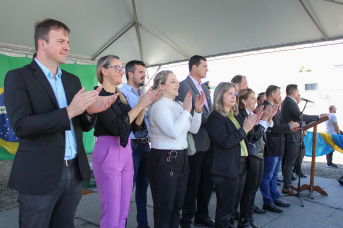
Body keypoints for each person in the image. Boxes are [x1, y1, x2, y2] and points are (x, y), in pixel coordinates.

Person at [4, 19, 117, 228]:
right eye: (61, 41)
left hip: (74, 173)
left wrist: (91, 112)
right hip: (39, 175)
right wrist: (69, 111)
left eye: (68, 41)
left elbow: (82, 125)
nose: (68, 46)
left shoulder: (72, 80)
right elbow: (21, 126)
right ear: (42, 44)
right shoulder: (18, 77)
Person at [92, 55, 159, 228]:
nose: (121, 71)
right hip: (109, 150)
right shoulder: (98, 95)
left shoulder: (120, 97)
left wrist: (143, 107)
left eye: (121, 68)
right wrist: (138, 106)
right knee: (112, 210)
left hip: (125, 150)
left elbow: (136, 127)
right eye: (117, 68)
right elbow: (117, 127)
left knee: (123, 209)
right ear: (104, 71)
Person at [148, 70, 206, 228]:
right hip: (164, 159)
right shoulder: (159, 106)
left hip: (181, 158)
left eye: (176, 81)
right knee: (164, 209)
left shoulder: (179, 105)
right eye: (172, 81)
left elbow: (192, 129)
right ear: (161, 85)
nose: (177, 84)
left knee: (176, 208)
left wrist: (198, 111)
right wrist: (187, 111)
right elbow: (173, 132)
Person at [206, 82, 258, 228]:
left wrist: (253, 125)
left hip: (240, 165)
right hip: (226, 168)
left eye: (234, 93)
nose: (233, 96)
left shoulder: (234, 115)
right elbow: (225, 141)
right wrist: (244, 130)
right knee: (225, 209)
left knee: (233, 207)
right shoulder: (215, 117)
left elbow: (247, 136)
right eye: (229, 93)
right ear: (219, 95)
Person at [176, 55, 214, 228]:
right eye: (204, 66)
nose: (207, 69)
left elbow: (209, 110)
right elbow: (188, 115)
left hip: (207, 142)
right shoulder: (184, 86)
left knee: (206, 182)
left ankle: (202, 215)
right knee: (193, 183)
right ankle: (187, 219)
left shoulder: (204, 88)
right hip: (194, 143)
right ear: (193, 68)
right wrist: (214, 121)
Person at [238, 89, 277, 228]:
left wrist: (268, 117)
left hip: (259, 153)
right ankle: (244, 220)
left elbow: (263, 131)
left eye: (255, 98)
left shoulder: (252, 114)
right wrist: (264, 119)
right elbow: (252, 136)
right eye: (252, 98)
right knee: (249, 189)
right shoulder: (242, 115)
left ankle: (250, 217)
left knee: (254, 188)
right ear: (243, 101)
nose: (256, 100)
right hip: (252, 154)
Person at [120, 60, 151, 228]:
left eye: (144, 72)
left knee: (142, 189)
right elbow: (130, 122)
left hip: (146, 145)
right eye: (140, 72)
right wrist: (143, 105)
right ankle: (121, 224)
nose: (144, 75)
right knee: (126, 190)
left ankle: (143, 224)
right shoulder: (122, 94)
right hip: (131, 145)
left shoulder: (142, 94)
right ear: (130, 74)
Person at [260, 85, 299, 213]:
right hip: (272, 148)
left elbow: (279, 125)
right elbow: (271, 128)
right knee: (267, 176)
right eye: (279, 93)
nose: (280, 95)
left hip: (278, 147)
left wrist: (289, 127)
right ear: (273, 95)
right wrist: (288, 127)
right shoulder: (266, 108)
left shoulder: (274, 108)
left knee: (274, 176)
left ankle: (274, 197)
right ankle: (268, 201)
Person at [281, 84, 326, 195]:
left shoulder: (289, 102)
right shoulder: (290, 102)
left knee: (290, 162)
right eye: (298, 91)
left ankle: (288, 183)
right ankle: (286, 187)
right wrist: (318, 117)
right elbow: (301, 116)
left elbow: (298, 118)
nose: (299, 94)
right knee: (289, 162)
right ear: (294, 92)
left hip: (294, 135)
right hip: (292, 136)